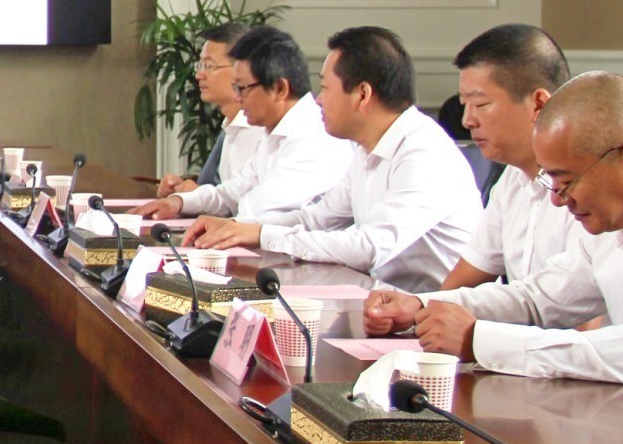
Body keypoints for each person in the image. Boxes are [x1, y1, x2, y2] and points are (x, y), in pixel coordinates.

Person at [363, 73, 623, 442]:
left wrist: (479, 340)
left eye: (566, 181)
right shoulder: (617, 220)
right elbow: (538, 300)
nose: (557, 199)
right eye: (550, 180)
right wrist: (422, 307)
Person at [185, 26, 481, 293]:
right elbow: (317, 219)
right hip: (385, 302)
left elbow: (369, 247)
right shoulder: (368, 148)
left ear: (362, 94)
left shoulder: (423, 153)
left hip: (432, 317)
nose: (318, 100)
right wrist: (242, 228)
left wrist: (262, 234)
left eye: (326, 87)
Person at [136, 26, 352, 223]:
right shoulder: (275, 132)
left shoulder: (315, 136)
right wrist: (179, 202)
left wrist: (219, 223)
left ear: (279, 89)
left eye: (243, 88)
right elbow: (233, 192)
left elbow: (260, 210)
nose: (238, 98)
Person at [435, 24, 581, 291]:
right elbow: (463, 283)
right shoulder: (512, 178)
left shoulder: (588, 186)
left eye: (480, 104)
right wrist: (420, 306)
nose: (467, 121)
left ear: (539, 104)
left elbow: (573, 308)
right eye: (465, 105)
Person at [152, 22, 263, 197]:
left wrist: (198, 194)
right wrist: (185, 192)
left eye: (209, 66)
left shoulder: (259, 130)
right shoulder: (231, 127)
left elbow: (249, 204)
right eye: (200, 65)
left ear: (241, 69)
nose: (199, 75)